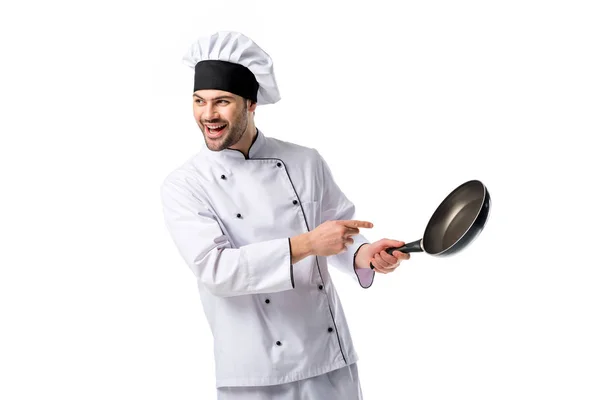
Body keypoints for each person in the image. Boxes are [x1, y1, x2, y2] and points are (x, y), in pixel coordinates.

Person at [160, 31, 410, 400]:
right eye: (199, 101)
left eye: (221, 102)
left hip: (329, 360)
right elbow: (216, 270)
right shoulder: (185, 184)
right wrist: (308, 243)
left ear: (251, 104)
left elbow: (338, 229)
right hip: (254, 373)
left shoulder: (305, 160)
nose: (207, 115)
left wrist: (362, 254)